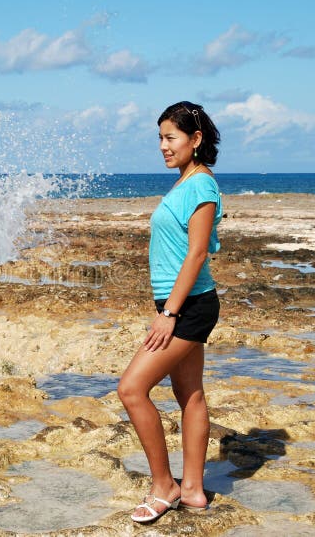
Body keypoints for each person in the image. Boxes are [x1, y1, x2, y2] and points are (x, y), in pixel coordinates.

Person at [117, 101, 223, 523]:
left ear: (195, 140)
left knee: (131, 389)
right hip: (182, 304)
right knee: (189, 393)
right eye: (160, 138)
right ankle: (193, 489)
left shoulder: (199, 186)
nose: (163, 146)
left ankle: (165, 485)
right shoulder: (187, 182)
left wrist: (169, 313)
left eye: (170, 137)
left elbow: (197, 254)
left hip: (189, 306)